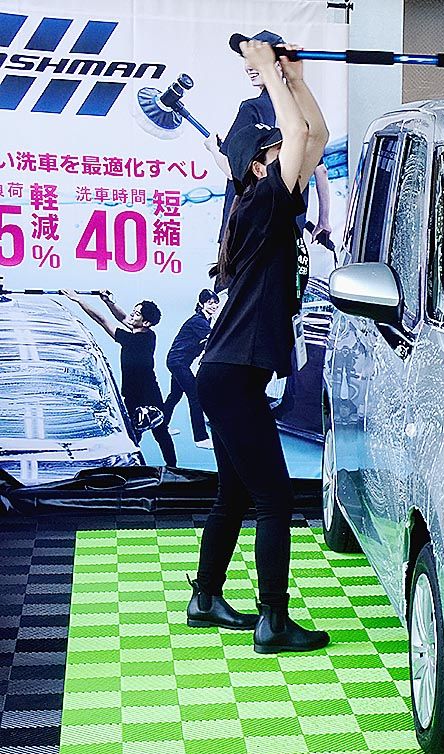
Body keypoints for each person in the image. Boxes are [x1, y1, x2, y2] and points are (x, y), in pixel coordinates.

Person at [186, 37, 329, 654]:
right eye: (275, 150)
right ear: (260, 167)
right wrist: (269, 72)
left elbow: (314, 135)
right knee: (274, 497)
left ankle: (204, 597)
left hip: (228, 374)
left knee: (235, 491)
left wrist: (293, 78)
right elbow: (300, 137)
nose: (288, 152)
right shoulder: (266, 201)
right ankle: (273, 621)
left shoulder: (266, 204)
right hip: (232, 376)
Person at [203, 28, 331, 247]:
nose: (248, 67)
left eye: (256, 60)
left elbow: (233, 171)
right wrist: (324, 220)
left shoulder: (252, 109)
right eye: (247, 60)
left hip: (248, 231)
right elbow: (320, 165)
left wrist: (213, 148)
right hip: (290, 232)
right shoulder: (302, 110)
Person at [61, 289, 177, 468]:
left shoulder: (133, 340)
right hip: (133, 393)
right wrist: (109, 302)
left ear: (146, 322)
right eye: (134, 310)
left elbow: (101, 320)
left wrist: (78, 300)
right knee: (133, 435)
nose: (132, 315)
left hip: (147, 393)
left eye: (137, 314)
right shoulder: (147, 333)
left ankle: (173, 468)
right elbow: (123, 317)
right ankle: (134, 467)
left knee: (159, 432)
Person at [164, 287, 219, 449]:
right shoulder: (199, 321)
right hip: (178, 362)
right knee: (195, 396)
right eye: (209, 303)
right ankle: (200, 438)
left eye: (215, 303)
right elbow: (214, 339)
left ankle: (162, 427)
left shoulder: (205, 320)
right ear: (201, 304)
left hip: (179, 361)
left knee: (174, 395)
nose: (213, 306)